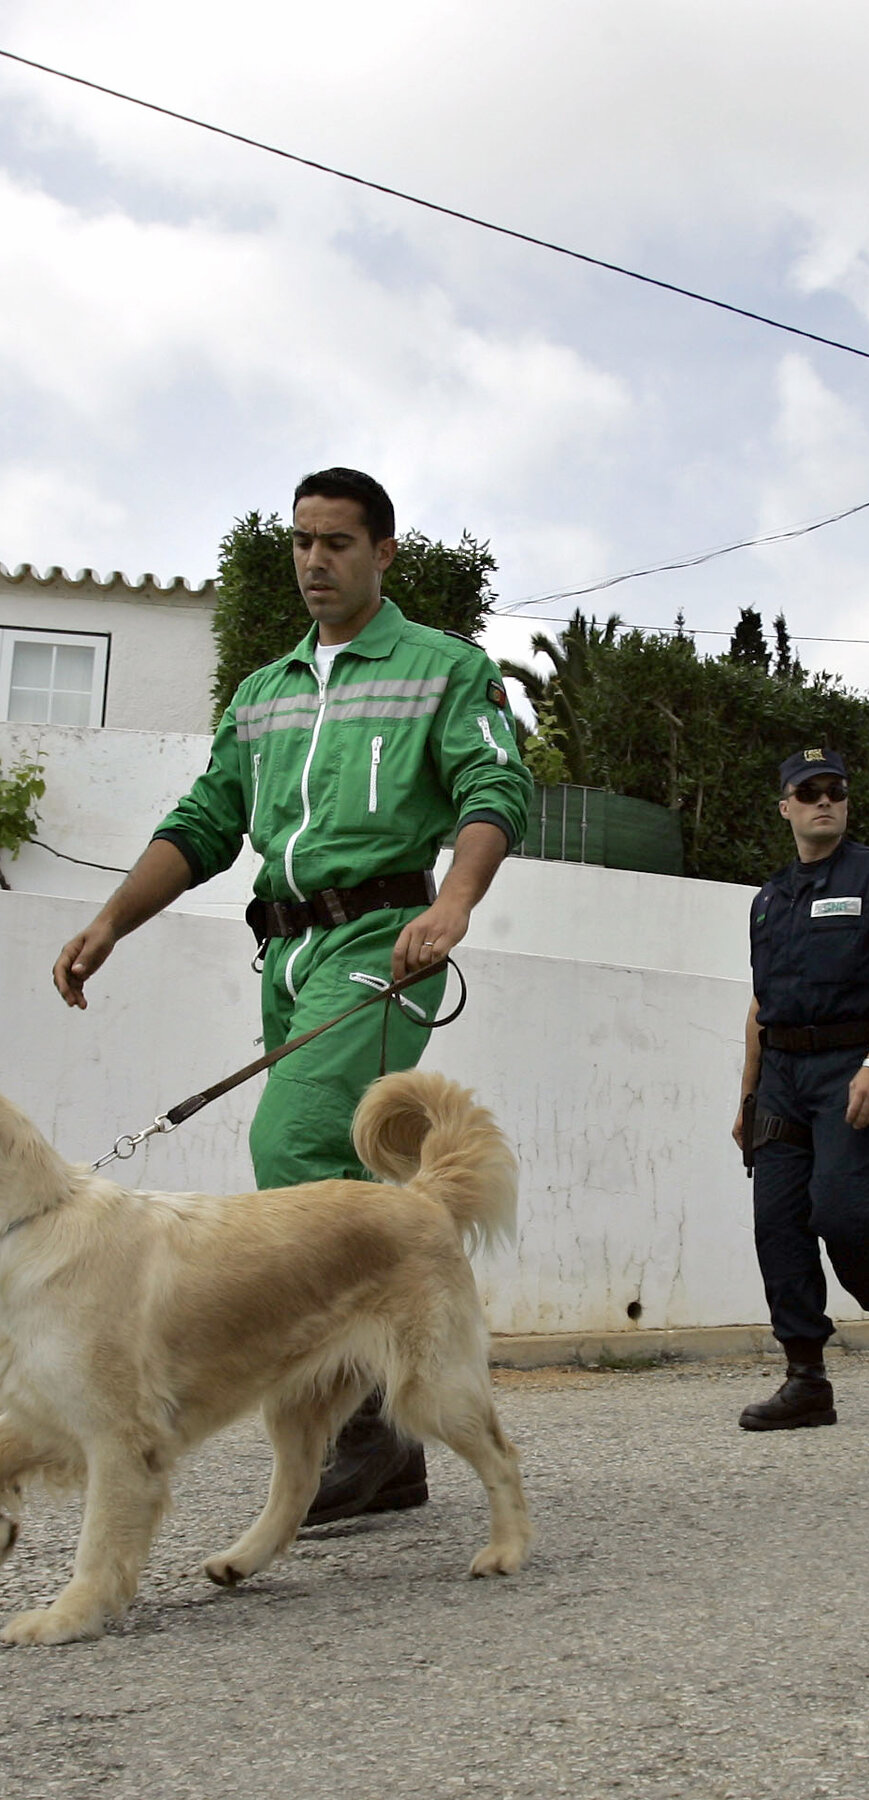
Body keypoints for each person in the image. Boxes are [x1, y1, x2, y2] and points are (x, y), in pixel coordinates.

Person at [52, 467, 532, 1521]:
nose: (316, 561)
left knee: (294, 1149)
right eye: (302, 542)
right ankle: (393, 1416)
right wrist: (109, 923)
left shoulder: (442, 669)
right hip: (284, 955)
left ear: (383, 554)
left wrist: (451, 903)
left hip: (382, 940)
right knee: (316, 1186)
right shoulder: (263, 692)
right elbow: (205, 821)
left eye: (338, 543)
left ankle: (367, 1441)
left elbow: (497, 788)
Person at [732, 748, 869, 1430]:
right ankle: (806, 1378)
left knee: (840, 1212)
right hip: (782, 1079)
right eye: (809, 790)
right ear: (786, 805)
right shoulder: (768, 899)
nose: (824, 800)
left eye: (836, 790)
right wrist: (747, 1097)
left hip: (849, 1066)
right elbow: (759, 1007)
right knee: (777, 1224)